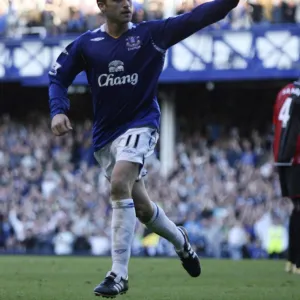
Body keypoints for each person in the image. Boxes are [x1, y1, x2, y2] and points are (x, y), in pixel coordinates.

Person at [48, 0, 239, 297]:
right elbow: (58, 77)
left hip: (141, 123)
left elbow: (195, 18)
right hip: (105, 137)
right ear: (101, 5)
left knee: (120, 182)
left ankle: (118, 274)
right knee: (143, 208)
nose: (127, 4)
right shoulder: (87, 44)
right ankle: (181, 242)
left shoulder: (151, 34)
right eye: (119, 0)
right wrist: (58, 110)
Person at [273, 81, 300, 275]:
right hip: (297, 156)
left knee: (296, 209)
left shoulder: (284, 91)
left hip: (282, 156)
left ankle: (291, 260)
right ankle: (298, 261)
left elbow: (277, 123)